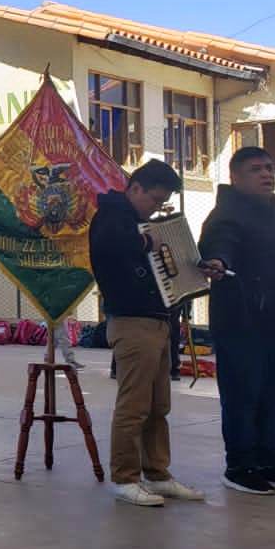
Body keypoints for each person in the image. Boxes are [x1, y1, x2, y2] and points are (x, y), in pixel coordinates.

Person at [199, 146, 275, 496]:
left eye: (269, 168)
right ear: (235, 177)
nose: (267, 174)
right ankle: (240, 466)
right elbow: (220, 245)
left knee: (274, 397)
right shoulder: (226, 215)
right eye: (256, 169)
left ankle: (269, 461)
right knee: (243, 398)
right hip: (243, 326)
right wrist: (218, 261)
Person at [89, 159, 206, 507]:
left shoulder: (141, 222)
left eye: (162, 202)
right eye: (154, 199)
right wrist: (144, 242)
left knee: (158, 405)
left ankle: (157, 473)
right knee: (134, 405)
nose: (156, 208)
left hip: (159, 320)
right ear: (135, 187)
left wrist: (197, 268)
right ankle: (124, 478)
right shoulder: (112, 215)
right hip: (131, 321)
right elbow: (109, 247)